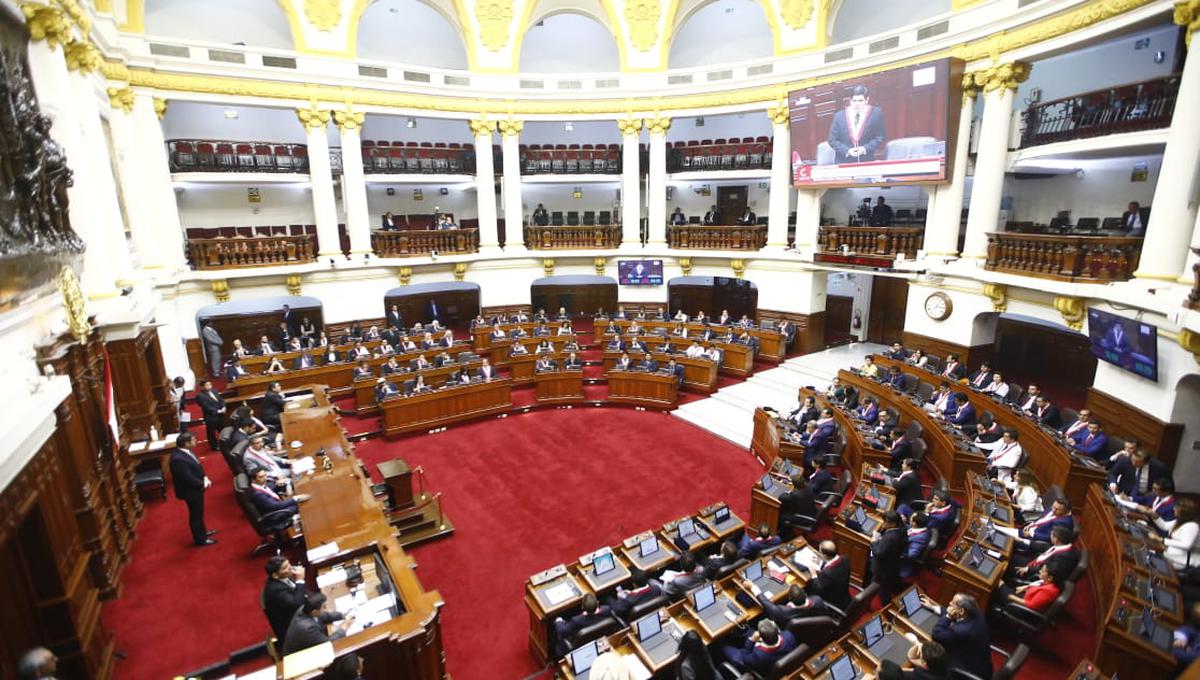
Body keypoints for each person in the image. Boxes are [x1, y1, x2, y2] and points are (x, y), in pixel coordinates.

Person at [924, 593, 991, 679]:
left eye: (953, 602)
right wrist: (933, 607)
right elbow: (957, 614)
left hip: (967, 669)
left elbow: (936, 634)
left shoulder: (961, 631)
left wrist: (947, 616)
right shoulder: (977, 613)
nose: (949, 603)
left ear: (962, 610)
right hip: (982, 663)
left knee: (932, 650)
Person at [169, 432, 215, 546]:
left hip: (195, 488)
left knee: (198, 514)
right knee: (196, 515)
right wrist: (202, 484)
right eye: (194, 440)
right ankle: (200, 540)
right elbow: (187, 478)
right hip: (190, 492)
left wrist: (204, 477)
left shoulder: (186, 452)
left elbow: (197, 466)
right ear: (186, 443)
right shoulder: (178, 459)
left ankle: (203, 533)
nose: (196, 441)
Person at [827, 85, 886, 163]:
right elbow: (832, 140)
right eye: (854, 101)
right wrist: (847, 150)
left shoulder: (876, 113)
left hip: (866, 160)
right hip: (844, 162)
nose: (857, 104)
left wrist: (865, 148)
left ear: (867, 100)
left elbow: (880, 137)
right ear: (850, 101)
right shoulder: (839, 116)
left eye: (860, 101)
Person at [282, 593, 352, 655]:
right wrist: (343, 628)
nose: (325, 609)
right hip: (298, 657)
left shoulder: (306, 608)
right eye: (324, 607)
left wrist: (341, 615)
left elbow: (322, 615)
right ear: (314, 612)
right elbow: (328, 643)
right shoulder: (308, 629)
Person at [721, 619, 796, 675]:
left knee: (726, 648)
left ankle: (719, 646)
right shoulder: (788, 635)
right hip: (778, 658)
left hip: (759, 666)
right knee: (749, 631)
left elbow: (745, 655)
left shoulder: (758, 656)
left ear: (761, 638)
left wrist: (751, 640)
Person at [262, 555, 308, 642]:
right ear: (275, 575)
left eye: (289, 564)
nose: (290, 568)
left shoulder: (283, 576)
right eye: (285, 568)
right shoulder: (275, 591)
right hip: (294, 631)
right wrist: (300, 581)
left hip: (298, 616)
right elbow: (297, 604)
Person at [802, 540, 851, 611]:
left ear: (824, 555)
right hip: (843, 593)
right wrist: (822, 562)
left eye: (820, 552)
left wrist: (814, 574)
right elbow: (833, 564)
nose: (819, 553)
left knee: (806, 588)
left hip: (833, 600)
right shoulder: (845, 559)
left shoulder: (827, 573)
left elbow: (818, 588)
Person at [870, 511, 907, 602]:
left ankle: (885, 608)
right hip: (893, 563)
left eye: (885, 522)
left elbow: (878, 553)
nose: (883, 524)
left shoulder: (890, 538)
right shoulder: (902, 529)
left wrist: (874, 542)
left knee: (882, 590)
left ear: (893, 524)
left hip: (882, 569)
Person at [1164, 499, 1200, 570]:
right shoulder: (1180, 521)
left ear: (1183, 512)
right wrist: (1155, 517)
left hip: (1182, 562)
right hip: (1174, 557)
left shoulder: (1192, 526)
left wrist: (1162, 540)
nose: (1174, 510)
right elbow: (1165, 526)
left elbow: (1186, 545)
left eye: (1176, 509)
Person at [195, 380, 226, 451]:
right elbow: (206, 406)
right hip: (210, 417)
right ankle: (214, 446)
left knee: (222, 430)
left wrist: (223, 407)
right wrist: (218, 411)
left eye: (210, 384)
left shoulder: (214, 391)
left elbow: (221, 400)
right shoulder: (200, 396)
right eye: (207, 385)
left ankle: (225, 443)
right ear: (202, 387)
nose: (209, 386)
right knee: (211, 432)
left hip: (220, 415)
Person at [900, 512, 932, 580]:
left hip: (903, 561)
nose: (909, 518)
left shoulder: (920, 539)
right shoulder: (922, 527)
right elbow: (910, 529)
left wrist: (896, 549)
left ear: (914, 523)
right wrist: (901, 522)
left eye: (911, 518)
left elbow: (911, 554)